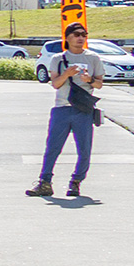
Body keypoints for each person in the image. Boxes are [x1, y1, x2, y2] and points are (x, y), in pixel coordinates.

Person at [28, 21, 104, 199]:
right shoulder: (58, 59)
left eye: (83, 35)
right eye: (76, 35)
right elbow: (55, 84)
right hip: (62, 108)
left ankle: (76, 182)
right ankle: (45, 182)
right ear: (67, 38)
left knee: (84, 149)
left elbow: (99, 84)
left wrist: (89, 80)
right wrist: (67, 74)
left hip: (83, 110)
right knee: (53, 148)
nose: (80, 38)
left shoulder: (93, 58)